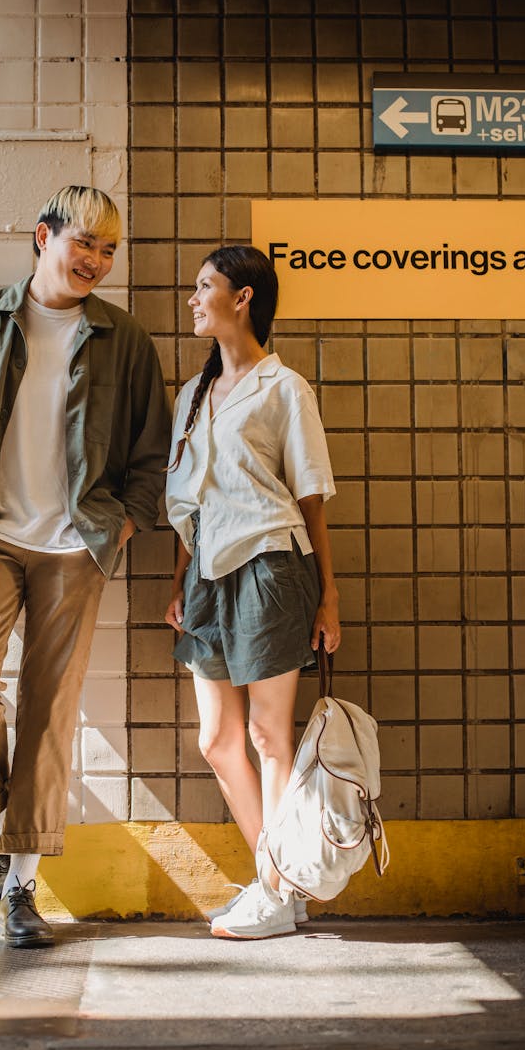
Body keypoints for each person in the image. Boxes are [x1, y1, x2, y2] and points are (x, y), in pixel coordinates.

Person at [0, 185, 171, 947]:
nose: (95, 260)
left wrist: (123, 523)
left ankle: (19, 886)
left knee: (51, 710)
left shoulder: (123, 338)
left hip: (75, 545)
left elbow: (150, 452)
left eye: (108, 250)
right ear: (43, 237)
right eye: (83, 242)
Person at [164, 245, 340, 940]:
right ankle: (279, 879)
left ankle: (272, 890)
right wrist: (179, 576)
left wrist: (330, 597)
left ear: (242, 298)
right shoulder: (192, 393)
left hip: (272, 565)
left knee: (270, 734)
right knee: (217, 738)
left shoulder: (284, 388)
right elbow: (191, 497)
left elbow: (312, 500)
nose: (192, 299)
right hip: (208, 572)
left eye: (204, 286)